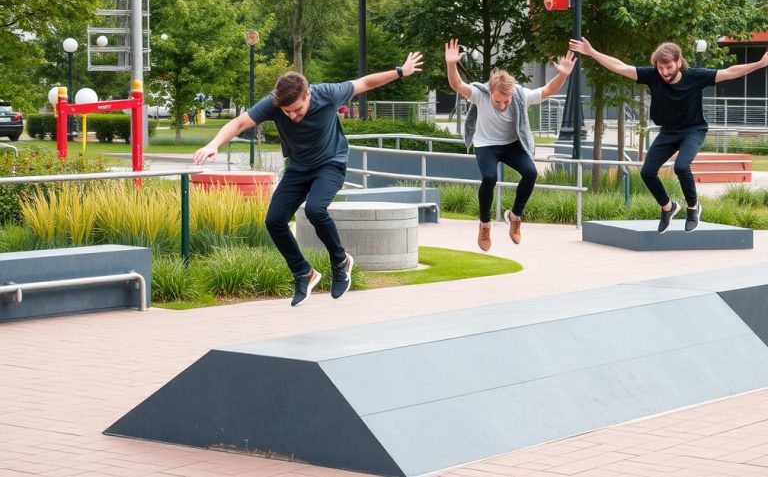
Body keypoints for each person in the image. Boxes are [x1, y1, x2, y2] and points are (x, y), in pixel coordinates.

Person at [192, 52, 424, 306]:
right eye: (286, 112)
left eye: (297, 110)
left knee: (315, 209)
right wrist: (214, 144)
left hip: (330, 163)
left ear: (308, 95)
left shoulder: (328, 93)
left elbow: (365, 83)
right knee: (274, 221)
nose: (291, 116)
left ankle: (341, 260)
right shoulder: (272, 103)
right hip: (298, 167)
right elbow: (239, 123)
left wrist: (401, 71)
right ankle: (304, 271)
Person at [569, 37, 768, 233]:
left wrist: (758, 65)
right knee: (647, 172)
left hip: (693, 130)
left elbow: (729, 72)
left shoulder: (695, 76)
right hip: (668, 132)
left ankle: (693, 207)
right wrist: (593, 52)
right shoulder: (652, 75)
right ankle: (668, 207)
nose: (664, 72)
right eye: (660, 68)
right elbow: (621, 68)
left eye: (668, 67)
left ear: (679, 62)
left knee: (681, 166)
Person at [445, 39, 576, 251]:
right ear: (491, 92)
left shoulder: (520, 95)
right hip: (486, 144)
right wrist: (451, 64)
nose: (502, 105)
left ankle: (514, 216)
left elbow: (549, 90)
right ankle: (485, 224)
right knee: (489, 177)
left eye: (506, 101)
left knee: (531, 173)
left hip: (512, 144)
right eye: (498, 102)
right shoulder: (481, 94)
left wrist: (563, 74)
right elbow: (457, 85)